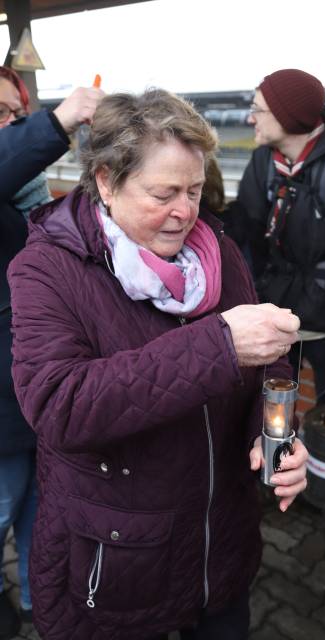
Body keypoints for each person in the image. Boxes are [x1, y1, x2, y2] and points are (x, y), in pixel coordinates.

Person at [8, 88, 307, 640]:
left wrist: (277, 435)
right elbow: (58, 405)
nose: (185, 212)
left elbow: (262, 365)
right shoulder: (47, 268)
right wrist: (218, 345)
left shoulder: (215, 246)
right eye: (163, 192)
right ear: (105, 181)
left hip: (219, 552)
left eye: (194, 190)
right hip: (116, 564)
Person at [0, 67, 103, 639]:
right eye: (1, 113)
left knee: (46, 514)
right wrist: (58, 121)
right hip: (4, 401)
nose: (13, 122)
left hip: (41, 395)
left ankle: (45, 600)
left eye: (17, 112)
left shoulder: (28, 198)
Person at [230, 68, 325, 403]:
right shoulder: (264, 162)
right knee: (270, 411)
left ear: (288, 116)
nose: (250, 118)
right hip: (277, 312)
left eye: (258, 109)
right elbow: (245, 232)